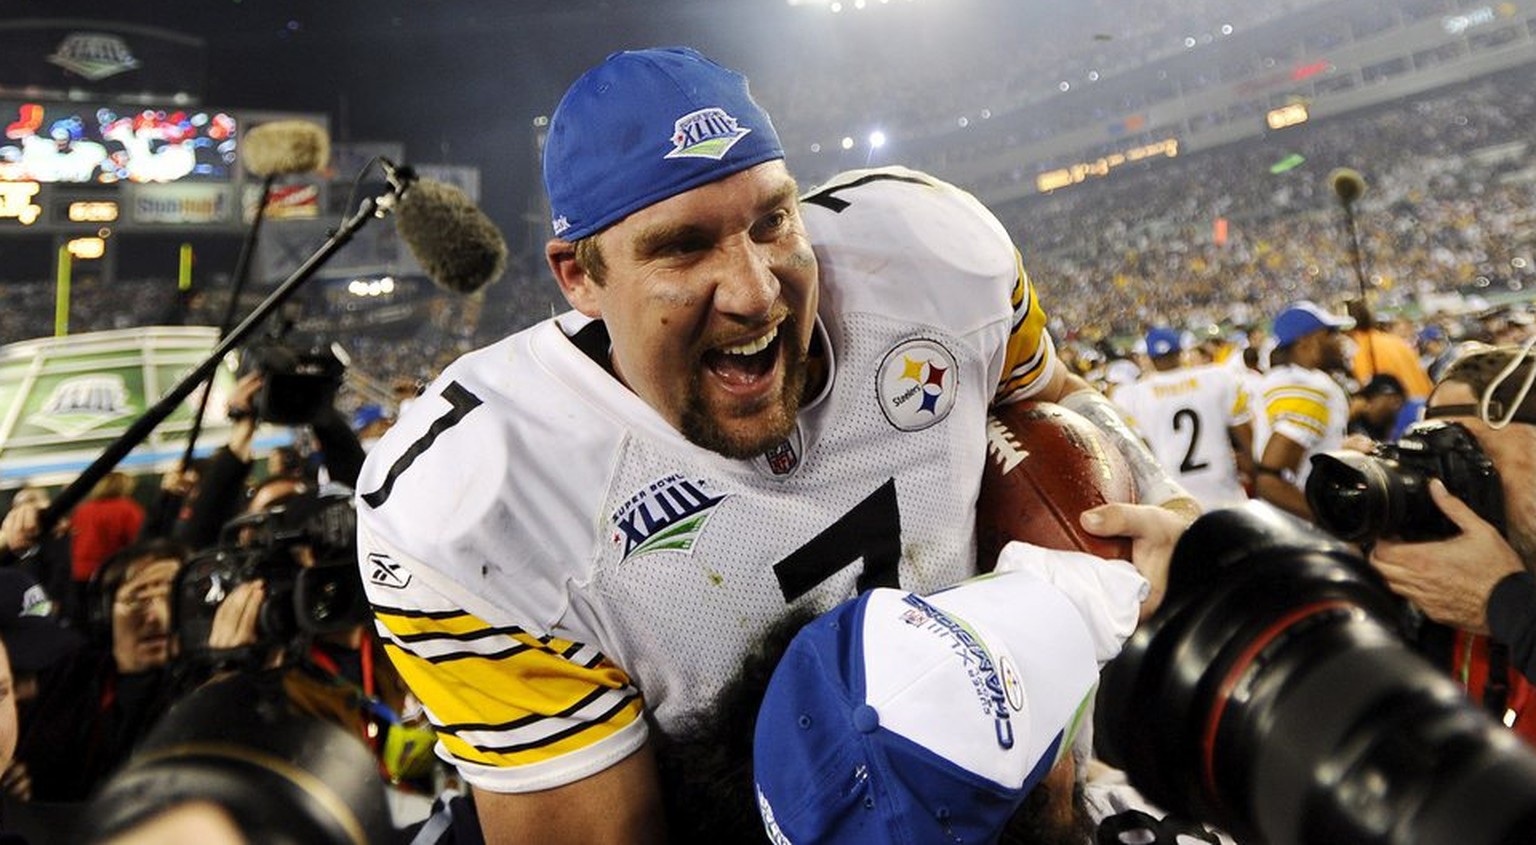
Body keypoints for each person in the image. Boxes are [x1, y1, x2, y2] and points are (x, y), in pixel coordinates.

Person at [354, 47, 1195, 844]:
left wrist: (1161, 497)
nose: (757, 292)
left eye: (771, 220)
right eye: (683, 246)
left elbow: (1047, 399)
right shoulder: (481, 499)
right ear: (578, 275)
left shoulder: (934, 254)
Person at [1368, 343, 1536, 736]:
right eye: (1429, 457)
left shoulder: (1503, 597)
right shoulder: (1445, 578)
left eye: (1469, 453)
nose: (1448, 484)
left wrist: (1505, 603)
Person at [14, 539, 187, 802]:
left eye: (171, 598)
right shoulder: (68, 675)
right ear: (103, 613)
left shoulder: (202, 689)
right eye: (138, 599)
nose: (158, 617)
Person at [1113, 327, 1253, 509]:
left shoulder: (1130, 396)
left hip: (1176, 501)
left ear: (1149, 358)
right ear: (1181, 351)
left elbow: (1140, 457)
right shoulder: (1218, 377)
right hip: (1225, 494)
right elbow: (1245, 437)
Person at [1252, 300, 1352, 520]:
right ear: (1307, 343)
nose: (1341, 342)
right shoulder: (1305, 387)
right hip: (1303, 530)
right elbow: (1270, 480)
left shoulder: (1283, 379)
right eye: (1330, 334)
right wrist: (1328, 522)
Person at [1345, 373, 1407, 442]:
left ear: (1395, 400)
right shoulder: (1359, 422)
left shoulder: (1405, 421)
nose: (1365, 404)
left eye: (1371, 398)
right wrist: (1348, 415)